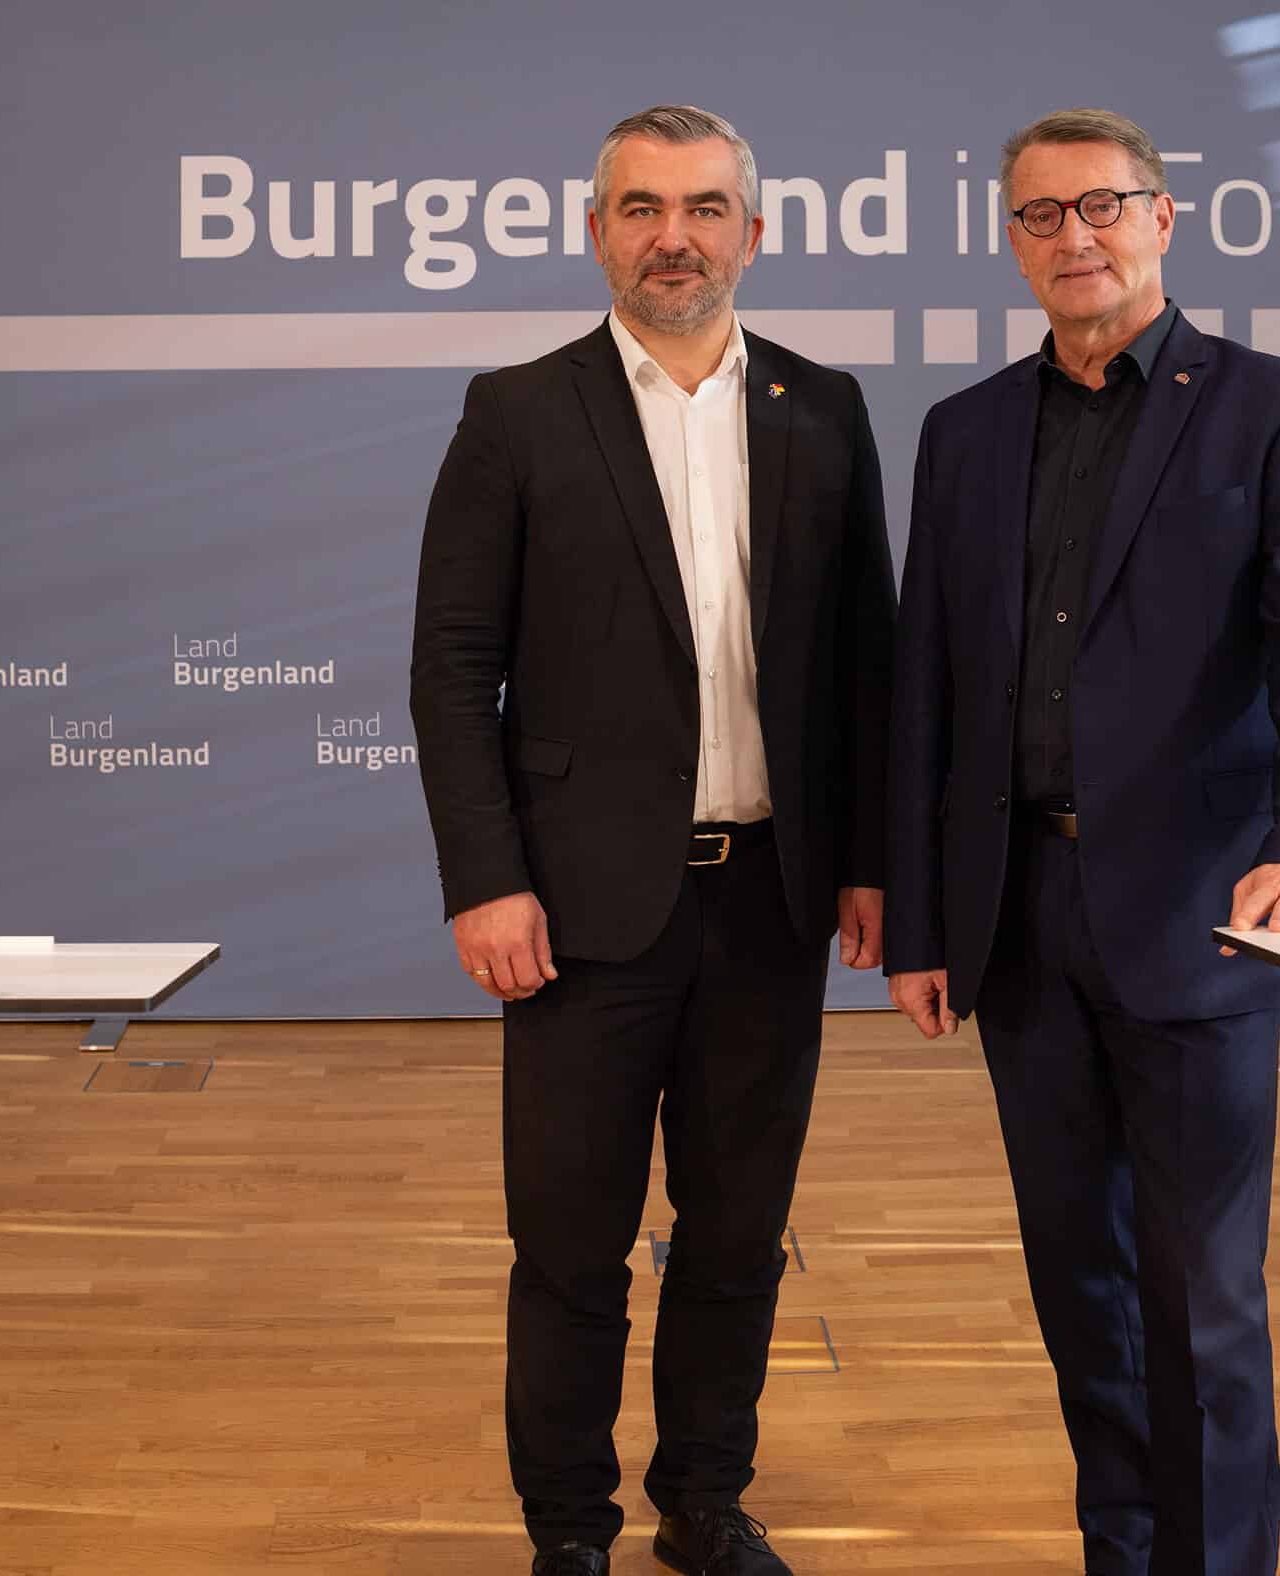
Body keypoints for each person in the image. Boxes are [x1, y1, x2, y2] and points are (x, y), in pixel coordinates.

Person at [883, 108, 1280, 1576]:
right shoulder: (962, 433)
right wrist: (919, 919)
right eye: (1040, 216)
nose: (1073, 237)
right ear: (1012, 241)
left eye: (1101, 206)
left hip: (1202, 913)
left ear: (1164, 219)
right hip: (1017, 916)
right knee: (1077, 1285)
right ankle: (1124, 1550)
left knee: (1203, 1296)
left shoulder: (1270, 408)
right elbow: (927, 687)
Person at [410, 104, 896, 1576]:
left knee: (737, 1240)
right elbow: (450, 667)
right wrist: (486, 877)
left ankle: (703, 1503)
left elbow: (862, 660)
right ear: (596, 230)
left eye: (699, 207)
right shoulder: (518, 409)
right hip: (576, 909)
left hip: (771, 902)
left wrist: (869, 856)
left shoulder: (822, 406)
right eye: (639, 207)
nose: (670, 236)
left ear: (752, 232)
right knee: (568, 1251)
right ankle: (568, 1528)